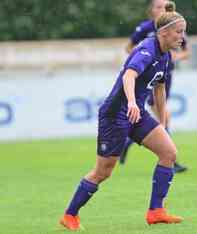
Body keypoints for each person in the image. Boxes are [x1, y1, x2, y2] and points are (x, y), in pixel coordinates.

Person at [59, 4, 187, 230]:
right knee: (103, 172)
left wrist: (163, 123)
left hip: (137, 113)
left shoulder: (166, 56)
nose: (183, 37)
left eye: (183, 31)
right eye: (179, 32)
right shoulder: (146, 49)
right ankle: (70, 215)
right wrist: (130, 102)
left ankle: (156, 211)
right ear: (164, 32)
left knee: (169, 152)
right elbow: (129, 76)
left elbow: (159, 88)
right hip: (115, 114)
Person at [121, 0, 190, 174]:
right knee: (163, 115)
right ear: (151, 10)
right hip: (149, 78)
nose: (161, 9)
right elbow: (129, 47)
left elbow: (186, 51)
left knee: (162, 116)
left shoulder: (176, 28)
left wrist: (175, 57)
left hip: (165, 76)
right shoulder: (146, 29)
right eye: (158, 6)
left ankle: (127, 144)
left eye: (165, 6)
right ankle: (171, 158)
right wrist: (143, 60)